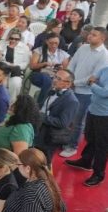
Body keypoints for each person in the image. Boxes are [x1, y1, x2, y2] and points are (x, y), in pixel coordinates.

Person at [61, 27, 108, 157]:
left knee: (78, 120)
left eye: (94, 35)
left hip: (86, 93)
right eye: (90, 34)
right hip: (70, 86)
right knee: (67, 116)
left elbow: (93, 77)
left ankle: (72, 146)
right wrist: (68, 79)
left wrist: (73, 83)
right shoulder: (83, 48)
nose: (89, 36)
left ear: (102, 38)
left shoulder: (104, 55)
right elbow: (72, 64)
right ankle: (63, 139)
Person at [65, 62, 108, 186]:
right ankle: (86, 161)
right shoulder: (104, 69)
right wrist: (92, 83)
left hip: (105, 115)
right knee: (90, 138)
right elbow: (92, 79)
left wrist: (92, 84)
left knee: (102, 146)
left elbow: (104, 93)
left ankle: (98, 174)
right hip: (93, 110)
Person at [34, 68, 79, 165]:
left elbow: (62, 123)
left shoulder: (72, 101)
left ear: (68, 84)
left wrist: (41, 117)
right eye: (55, 77)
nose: (54, 80)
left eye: (59, 79)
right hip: (39, 129)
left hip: (49, 136)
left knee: (44, 162)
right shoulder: (51, 89)